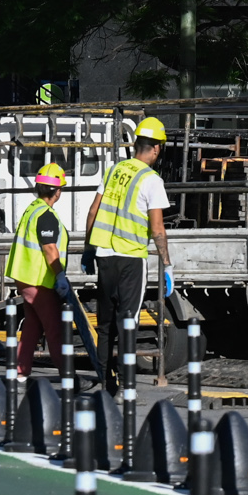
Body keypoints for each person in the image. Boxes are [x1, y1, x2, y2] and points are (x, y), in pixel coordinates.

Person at [84, 115, 174, 384]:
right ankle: (126, 381)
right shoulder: (151, 180)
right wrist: (167, 265)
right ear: (156, 148)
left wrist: (89, 250)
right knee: (128, 321)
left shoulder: (115, 170)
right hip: (132, 259)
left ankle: (103, 377)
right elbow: (157, 228)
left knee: (105, 324)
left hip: (105, 257)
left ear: (137, 144)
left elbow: (93, 212)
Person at [6, 159, 72, 376]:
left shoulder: (32, 209)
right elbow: (50, 249)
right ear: (58, 191)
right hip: (39, 280)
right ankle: (67, 375)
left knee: (32, 327)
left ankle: (21, 372)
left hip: (24, 277)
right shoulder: (46, 215)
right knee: (54, 329)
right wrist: (60, 275)